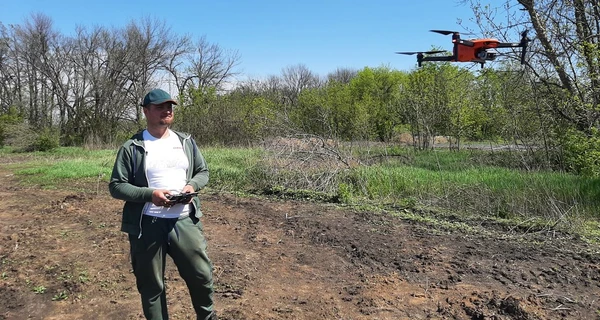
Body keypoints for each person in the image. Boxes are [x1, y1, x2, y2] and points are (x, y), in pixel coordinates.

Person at [109, 88, 215, 320]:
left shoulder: (185, 141)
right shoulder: (132, 147)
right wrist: (150, 195)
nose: (167, 111)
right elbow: (116, 186)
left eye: (169, 107)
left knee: (201, 276)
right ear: (146, 111)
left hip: (185, 221)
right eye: (159, 107)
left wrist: (192, 187)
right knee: (151, 286)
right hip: (147, 225)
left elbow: (202, 171)